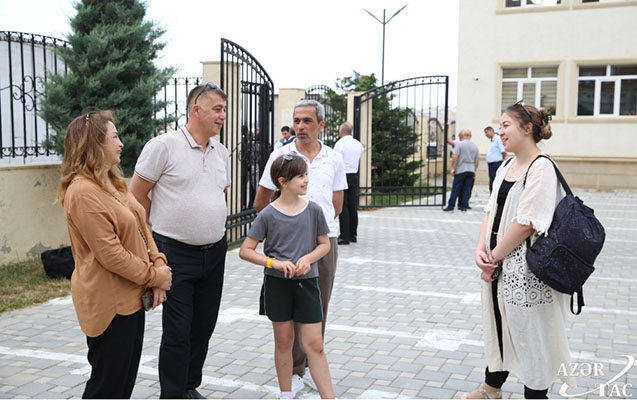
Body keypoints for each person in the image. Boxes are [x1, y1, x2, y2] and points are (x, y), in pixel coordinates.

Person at [58, 110, 172, 398]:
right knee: (107, 387)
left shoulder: (113, 182)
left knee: (122, 385)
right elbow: (111, 254)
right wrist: (155, 276)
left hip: (132, 298)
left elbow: (142, 227)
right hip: (108, 304)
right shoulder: (82, 192)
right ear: (94, 144)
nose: (121, 143)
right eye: (114, 137)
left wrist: (159, 265)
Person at [130, 82, 230, 399]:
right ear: (195, 109)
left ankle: (189, 386)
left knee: (204, 325)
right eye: (217, 109)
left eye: (224, 110)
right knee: (178, 330)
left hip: (215, 252)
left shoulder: (221, 152)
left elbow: (220, 194)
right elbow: (136, 196)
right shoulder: (163, 146)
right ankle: (172, 394)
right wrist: (154, 236)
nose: (223, 116)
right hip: (174, 252)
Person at [466, 101, 573, 399]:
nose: (500, 132)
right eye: (499, 126)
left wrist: (492, 258)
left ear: (527, 128)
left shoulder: (542, 168)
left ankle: (535, 395)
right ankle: (491, 389)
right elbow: (490, 210)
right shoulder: (505, 166)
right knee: (500, 327)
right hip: (498, 264)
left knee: (532, 337)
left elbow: (526, 223)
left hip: (527, 270)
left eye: (506, 125)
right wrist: (480, 252)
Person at [253, 99, 347, 395]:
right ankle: (293, 372)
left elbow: (337, 205)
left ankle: (310, 362)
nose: (300, 126)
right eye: (296, 120)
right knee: (287, 313)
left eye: (307, 121)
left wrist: (315, 231)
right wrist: (284, 228)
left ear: (321, 125)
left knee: (317, 306)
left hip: (323, 242)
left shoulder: (334, 158)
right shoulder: (280, 156)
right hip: (287, 247)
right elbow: (261, 201)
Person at [239, 154, 334, 399]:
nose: (306, 180)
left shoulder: (313, 210)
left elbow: (324, 244)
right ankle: (286, 394)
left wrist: (308, 259)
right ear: (283, 182)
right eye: (300, 176)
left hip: (307, 284)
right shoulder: (267, 215)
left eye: (306, 175)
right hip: (277, 285)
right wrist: (274, 263)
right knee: (283, 342)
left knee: (315, 345)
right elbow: (245, 250)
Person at [333, 122, 364, 245]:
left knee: (343, 205)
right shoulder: (358, 144)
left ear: (341, 131)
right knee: (353, 205)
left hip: (343, 175)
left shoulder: (339, 144)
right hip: (354, 175)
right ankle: (353, 234)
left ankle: (344, 236)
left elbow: (336, 160)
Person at [443, 129, 479, 212]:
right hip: (470, 169)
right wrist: (474, 170)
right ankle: (464, 205)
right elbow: (477, 159)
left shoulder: (459, 145)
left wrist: (453, 167)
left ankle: (451, 206)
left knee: (456, 188)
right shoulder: (475, 146)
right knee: (467, 188)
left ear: (462, 136)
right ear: (470, 136)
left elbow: (455, 156)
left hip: (461, 169)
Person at [484, 126, 507, 193]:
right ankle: (492, 193)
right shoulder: (492, 140)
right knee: (492, 179)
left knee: (494, 180)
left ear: (492, 131)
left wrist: (502, 160)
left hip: (496, 163)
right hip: (491, 164)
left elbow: (503, 151)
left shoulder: (497, 139)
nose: (486, 134)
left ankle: (494, 194)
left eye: (486, 132)